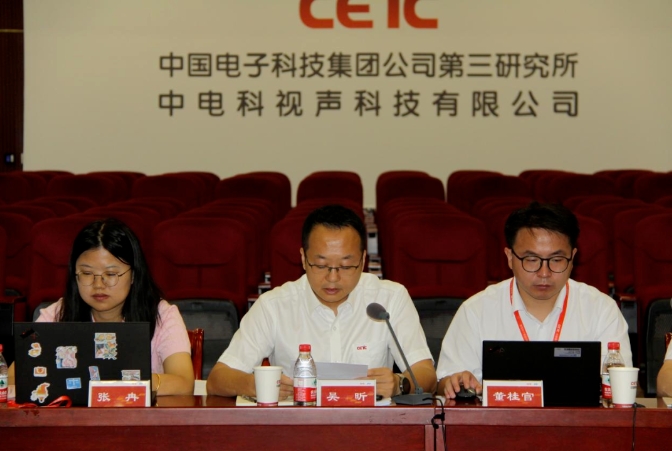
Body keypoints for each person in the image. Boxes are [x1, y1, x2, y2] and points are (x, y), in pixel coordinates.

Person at [207, 204, 436, 399]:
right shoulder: (274, 306)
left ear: (363, 260)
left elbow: (426, 374)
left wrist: (400, 384)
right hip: (298, 428)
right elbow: (218, 379)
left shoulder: (390, 299)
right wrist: (253, 385)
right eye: (321, 265)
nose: (332, 278)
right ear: (303, 258)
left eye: (346, 266)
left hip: (369, 426)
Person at [436, 202, 632, 399]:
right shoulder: (476, 311)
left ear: (572, 257)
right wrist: (454, 382)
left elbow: (619, 385)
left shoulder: (601, 310)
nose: (544, 273)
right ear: (510, 257)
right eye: (531, 260)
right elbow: (445, 381)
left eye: (556, 260)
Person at [8, 218, 194, 396]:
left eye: (111, 274)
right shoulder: (56, 314)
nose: (98, 284)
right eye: (87, 273)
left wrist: (112, 381)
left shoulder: (163, 315)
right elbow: (13, 376)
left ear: (134, 275)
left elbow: (184, 383)